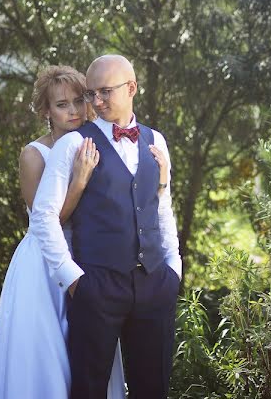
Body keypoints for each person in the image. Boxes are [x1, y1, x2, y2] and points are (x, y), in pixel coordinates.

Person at [30, 55, 181, 399]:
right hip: (96, 286)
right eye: (92, 94)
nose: (96, 102)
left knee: (152, 389)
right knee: (88, 390)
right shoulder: (71, 144)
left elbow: (162, 208)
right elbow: (43, 216)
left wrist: (174, 268)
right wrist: (72, 279)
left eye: (105, 92)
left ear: (131, 89)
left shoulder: (156, 139)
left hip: (154, 283)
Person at [0, 65, 130, 398]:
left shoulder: (98, 145)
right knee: (46, 358)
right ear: (46, 110)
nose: (74, 111)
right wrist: (79, 181)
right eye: (62, 104)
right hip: (43, 267)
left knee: (91, 355)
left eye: (79, 101)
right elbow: (45, 222)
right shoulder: (34, 155)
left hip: (88, 257)